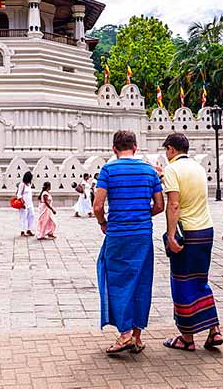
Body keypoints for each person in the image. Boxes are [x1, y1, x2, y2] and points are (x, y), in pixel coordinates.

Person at [94, 130, 164, 355]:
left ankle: (124, 334)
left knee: (116, 281)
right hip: (142, 235)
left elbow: (97, 205)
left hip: (117, 234)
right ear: (135, 147)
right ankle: (136, 336)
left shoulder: (108, 170)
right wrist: (142, 216)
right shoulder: (149, 171)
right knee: (141, 282)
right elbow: (160, 205)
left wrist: (103, 223)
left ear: (114, 149)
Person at [159, 133, 223, 352]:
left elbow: (174, 205)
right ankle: (214, 330)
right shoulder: (197, 167)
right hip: (206, 230)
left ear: (170, 149)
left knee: (182, 283)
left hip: (187, 234)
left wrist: (170, 236)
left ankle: (187, 338)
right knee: (200, 281)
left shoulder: (172, 169)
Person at [17, 171, 36, 237]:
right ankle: (23, 231)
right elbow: (19, 195)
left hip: (30, 203)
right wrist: (22, 203)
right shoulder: (22, 184)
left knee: (32, 215)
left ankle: (29, 229)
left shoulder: (29, 184)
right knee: (23, 217)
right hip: (23, 204)